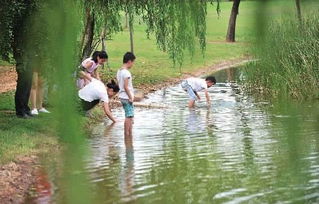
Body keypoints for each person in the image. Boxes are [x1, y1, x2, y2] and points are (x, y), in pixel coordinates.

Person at [117, 52, 136, 149]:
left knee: (129, 115)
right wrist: (131, 97)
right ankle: (127, 135)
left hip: (121, 96)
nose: (133, 64)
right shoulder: (126, 73)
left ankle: (129, 134)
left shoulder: (119, 71)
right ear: (129, 61)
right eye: (133, 62)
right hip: (126, 97)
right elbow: (126, 86)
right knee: (129, 116)